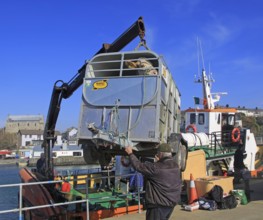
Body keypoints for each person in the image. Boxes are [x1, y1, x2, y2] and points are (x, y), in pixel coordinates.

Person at [125, 143, 181, 220]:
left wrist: (130, 153)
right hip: (170, 203)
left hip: (158, 205)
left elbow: (139, 166)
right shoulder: (176, 166)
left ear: (160, 154)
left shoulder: (156, 168)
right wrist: (158, 162)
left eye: (157, 153)